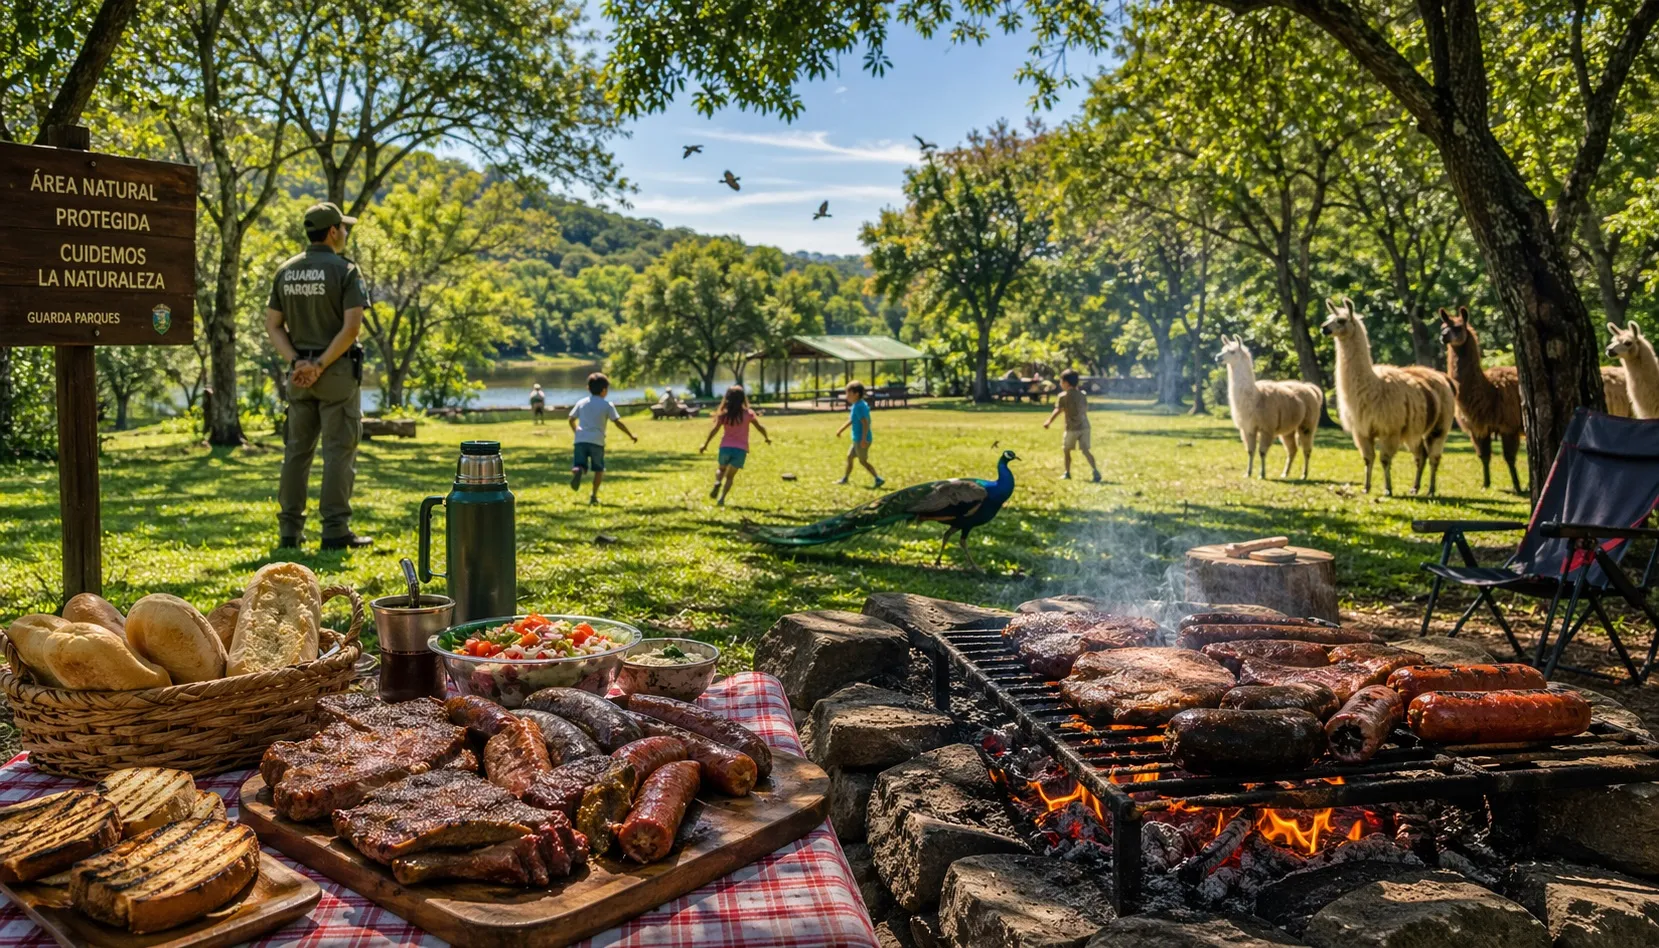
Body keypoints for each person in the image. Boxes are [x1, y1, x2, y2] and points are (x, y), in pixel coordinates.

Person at [264, 201, 372, 550]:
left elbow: (273, 325)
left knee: (296, 453)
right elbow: (352, 327)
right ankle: (335, 531)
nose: (345, 232)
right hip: (336, 373)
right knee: (339, 452)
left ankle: (289, 532)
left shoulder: (286, 270)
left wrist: (298, 362)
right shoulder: (346, 271)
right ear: (331, 232)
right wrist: (321, 365)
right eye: (343, 227)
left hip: (298, 379)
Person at [569, 372, 637, 505]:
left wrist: (576, 431)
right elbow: (617, 422)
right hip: (597, 441)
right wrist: (631, 435)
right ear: (604, 390)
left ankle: (578, 470)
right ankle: (593, 496)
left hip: (581, 440)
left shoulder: (581, 402)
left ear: (588, 388)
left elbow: (571, 419)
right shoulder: (607, 405)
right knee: (598, 469)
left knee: (580, 464)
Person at [698, 386, 770, 506]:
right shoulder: (748, 414)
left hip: (725, 448)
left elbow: (714, 430)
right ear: (743, 399)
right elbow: (760, 427)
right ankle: (721, 499)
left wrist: (705, 444)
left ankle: (717, 481)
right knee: (730, 477)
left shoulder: (723, 415)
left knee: (721, 469)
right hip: (740, 450)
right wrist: (766, 438)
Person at [1043, 368, 1101, 482]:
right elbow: (1085, 409)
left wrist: (1049, 421)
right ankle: (1095, 470)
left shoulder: (1063, 396)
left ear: (1065, 383)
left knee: (1067, 450)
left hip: (1071, 428)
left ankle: (1067, 472)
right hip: (1085, 427)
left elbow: (1058, 410)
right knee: (1086, 450)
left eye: (1060, 381)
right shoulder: (1082, 395)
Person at [835, 380, 884, 487]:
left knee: (863, 461)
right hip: (857, 439)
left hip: (861, 440)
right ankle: (845, 478)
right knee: (849, 457)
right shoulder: (857, 405)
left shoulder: (859, 407)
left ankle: (878, 478)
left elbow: (865, 423)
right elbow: (852, 420)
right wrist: (840, 430)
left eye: (848, 393)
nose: (846, 396)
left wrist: (863, 439)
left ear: (856, 394)